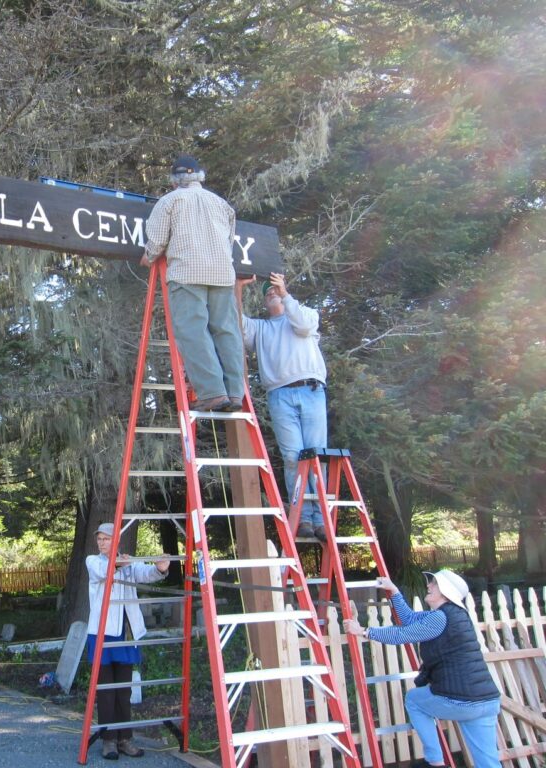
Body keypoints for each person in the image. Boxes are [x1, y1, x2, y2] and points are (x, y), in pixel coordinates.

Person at [343, 570, 501, 768]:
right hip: (488, 700)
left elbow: (403, 634)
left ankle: (435, 762)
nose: (429, 586)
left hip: (462, 700)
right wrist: (393, 591)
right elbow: (409, 619)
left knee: (414, 700)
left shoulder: (440, 618)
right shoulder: (453, 615)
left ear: (445, 592)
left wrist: (364, 631)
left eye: (433, 584)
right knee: (488, 763)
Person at [140, 154, 244, 413]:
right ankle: (234, 392)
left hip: (187, 273)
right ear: (200, 177)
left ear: (175, 181)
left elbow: (157, 241)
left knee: (193, 330)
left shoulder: (170, 201)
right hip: (222, 275)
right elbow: (229, 241)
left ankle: (212, 392)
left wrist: (147, 257)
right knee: (226, 331)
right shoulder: (222, 204)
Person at [236, 272, 329, 541]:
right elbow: (235, 323)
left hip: (311, 390)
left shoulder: (304, 316)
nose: (272, 294)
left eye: (275, 290)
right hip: (280, 395)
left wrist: (286, 293)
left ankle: (320, 519)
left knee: (316, 457)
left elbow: (302, 324)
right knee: (292, 458)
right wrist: (238, 289)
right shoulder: (262, 328)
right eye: (268, 293)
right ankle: (303, 517)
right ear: (265, 302)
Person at [86, 522, 171, 760]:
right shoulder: (93, 562)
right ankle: (108, 740)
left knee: (123, 690)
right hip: (102, 633)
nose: (102, 543)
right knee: (106, 690)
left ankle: (125, 738)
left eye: (106, 539)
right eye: (100, 539)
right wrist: (119, 563)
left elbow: (146, 573)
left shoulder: (128, 561)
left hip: (125, 633)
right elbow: (105, 572)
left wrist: (160, 569)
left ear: (117, 540)